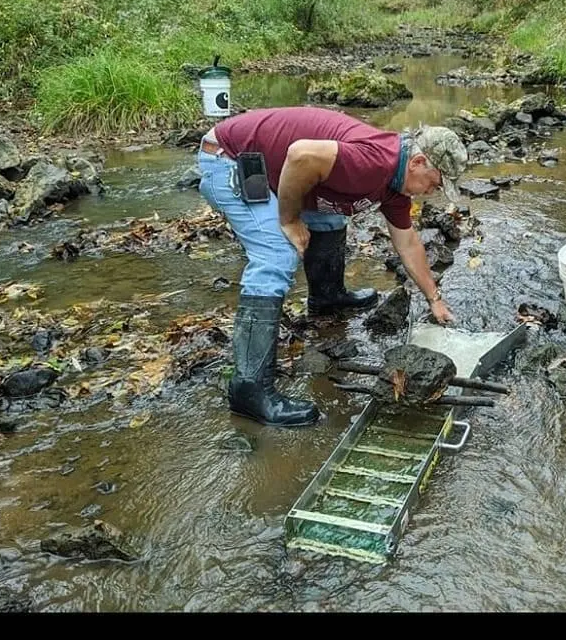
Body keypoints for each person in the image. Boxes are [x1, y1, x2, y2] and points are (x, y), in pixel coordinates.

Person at [196, 106, 469, 428]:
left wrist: (434, 299)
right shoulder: (375, 161)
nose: (431, 193)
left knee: (330, 216)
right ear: (419, 162)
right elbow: (300, 156)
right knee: (276, 255)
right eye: (434, 185)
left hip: (273, 166)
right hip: (232, 160)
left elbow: (408, 242)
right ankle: (248, 390)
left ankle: (327, 297)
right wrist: (290, 219)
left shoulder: (397, 184)